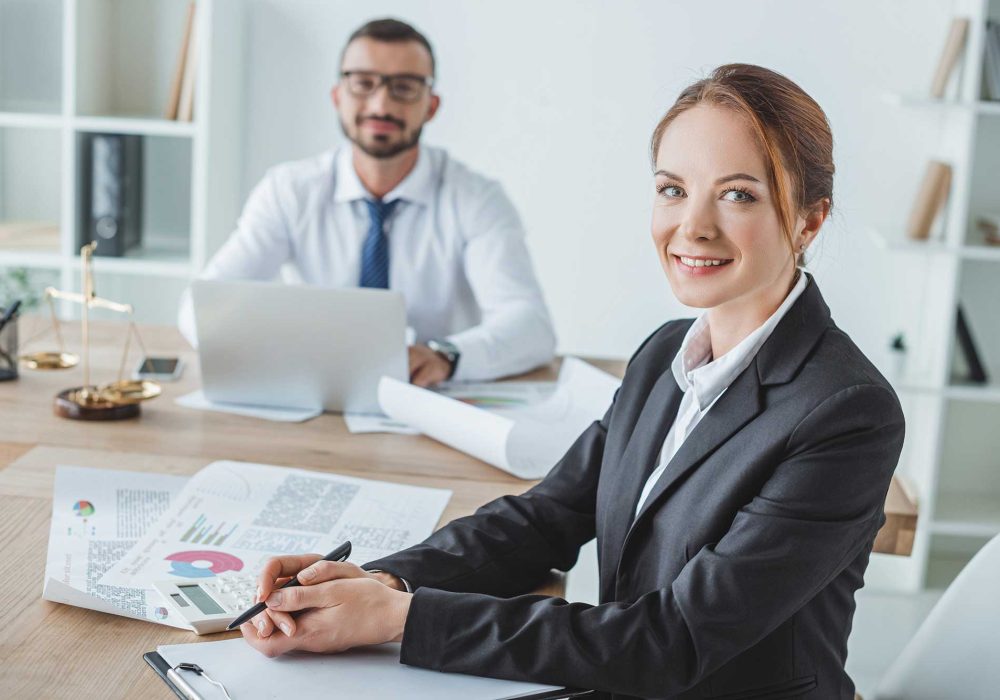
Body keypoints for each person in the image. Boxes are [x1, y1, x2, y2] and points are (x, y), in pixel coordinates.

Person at [239, 64, 905, 700]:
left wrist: (400, 620)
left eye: (738, 195)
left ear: (809, 220)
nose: (692, 226)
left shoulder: (846, 413)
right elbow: (546, 517)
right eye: (673, 189)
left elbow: (672, 641)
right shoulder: (664, 355)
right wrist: (382, 580)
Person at [177, 18, 556, 386]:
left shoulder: (477, 199)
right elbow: (202, 309)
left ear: (432, 105)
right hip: (315, 396)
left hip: (431, 398)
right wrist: (276, 353)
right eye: (363, 84)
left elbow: (531, 326)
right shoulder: (289, 191)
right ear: (337, 96)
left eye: (404, 87)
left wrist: (444, 355)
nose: (381, 104)